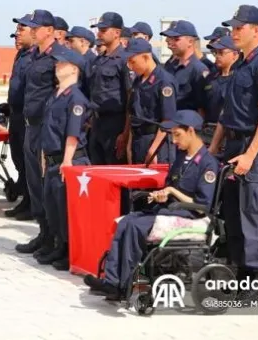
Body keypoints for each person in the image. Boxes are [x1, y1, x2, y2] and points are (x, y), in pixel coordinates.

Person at [84, 110, 220, 299]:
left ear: (191, 131)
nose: (174, 141)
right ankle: (112, 280)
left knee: (135, 226)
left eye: (177, 135)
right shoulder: (182, 158)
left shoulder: (207, 163)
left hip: (188, 213)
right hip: (169, 209)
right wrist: (162, 194)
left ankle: (120, 284)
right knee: (126, 222)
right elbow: (170, 186)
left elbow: (202, 205)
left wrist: (173, 193)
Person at [209, 5, 258, 305]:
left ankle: (254, 284)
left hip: (255, 148)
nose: (234, 32)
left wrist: (250, 155)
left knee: (252, 216)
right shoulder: (240, 65)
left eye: (240, 27)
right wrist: (214, 147)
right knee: (234, 217)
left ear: (256, 30)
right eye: (233, 27)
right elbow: (228, 113)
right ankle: (239, 274)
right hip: (234, 146)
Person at [14, 9, 65, 256]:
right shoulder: (32, 56)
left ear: (49, 30)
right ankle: (43, 233)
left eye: (35, 28)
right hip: (30, 126)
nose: (31, 31)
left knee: (48, 185)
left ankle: (56, 239)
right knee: (34, 183)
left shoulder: (61, 56)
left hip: (49, 129)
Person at [39, 48, 93, 269]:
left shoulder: (76, 99)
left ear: (73, 68)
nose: (56, 67)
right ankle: (58, 246)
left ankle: (69, 250)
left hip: (68, 160)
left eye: (61, 64)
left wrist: (67, 161)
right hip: (52, 159)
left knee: (65, 209)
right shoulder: (56, 95)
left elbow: (73, 133)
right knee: (53, 207)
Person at [87, 11, 131, 165]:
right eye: (99, 30)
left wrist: (125, 134)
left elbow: (130, 98)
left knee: (114, 171)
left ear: (117, 33)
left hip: (115, 124)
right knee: (97, 172)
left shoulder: (124, 60)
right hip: (97, 123)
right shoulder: (99, 60)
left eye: (104, 30)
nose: (99, 33)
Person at [124, 38, 177, 164]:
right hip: (138, 140)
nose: (130, 67)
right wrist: (129, 145)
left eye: (133, 62)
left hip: (156, 140)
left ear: (146, 57)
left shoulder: (164, 81)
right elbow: (134, 115)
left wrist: (153, 149)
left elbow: (168, 119)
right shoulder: (138, 80)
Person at [4, 15, 35, 220]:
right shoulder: (21, 55)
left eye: (21, 29)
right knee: (18, 159)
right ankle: (25, 198)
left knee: (28, 161)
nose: (17, 34)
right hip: (15, 114)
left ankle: (32, 203)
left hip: (27, 117)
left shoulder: (36, 55)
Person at [200, 36, 241, 145]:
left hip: (229, 135)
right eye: (215, 53)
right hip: (207, 134)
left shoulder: (240, 78)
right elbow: (201, 107)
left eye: (221, 53)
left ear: (235, 55)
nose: (217, 56)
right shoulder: (210, 78)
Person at [161, 20, 209, 111]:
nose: (171, 42)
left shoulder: (198, 69)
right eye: (171, 38)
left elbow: (202, 108)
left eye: (176, 39)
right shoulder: (170, 66)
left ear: (190, 41)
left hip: (185, 122)